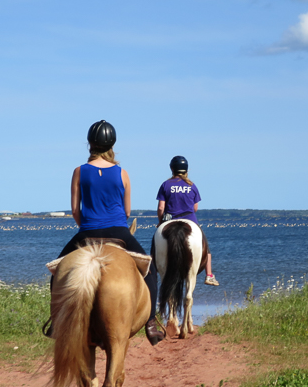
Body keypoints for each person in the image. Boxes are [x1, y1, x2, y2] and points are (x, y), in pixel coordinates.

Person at [45, 120, 165, 346]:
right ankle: (150, 322)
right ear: (112, 143)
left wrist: (88, 226)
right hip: (119, 230)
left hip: (87, 232)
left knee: (58, 271)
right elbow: (127, 211)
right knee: (149, 271)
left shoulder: (79, 171)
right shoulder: (123, 173)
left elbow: (74, 210)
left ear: (90, 143)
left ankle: (55, 321)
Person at [156, 155, 219, 286]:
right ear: (186, 170)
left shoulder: (166, 185)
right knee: (205, 248)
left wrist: (161, 222)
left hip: (170, 219)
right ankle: (209, 275)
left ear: (172, 169)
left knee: (155, 244)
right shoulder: (192, 185)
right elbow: (195, 208)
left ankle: (153, 268)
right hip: (190, 219)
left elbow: (161, 207)